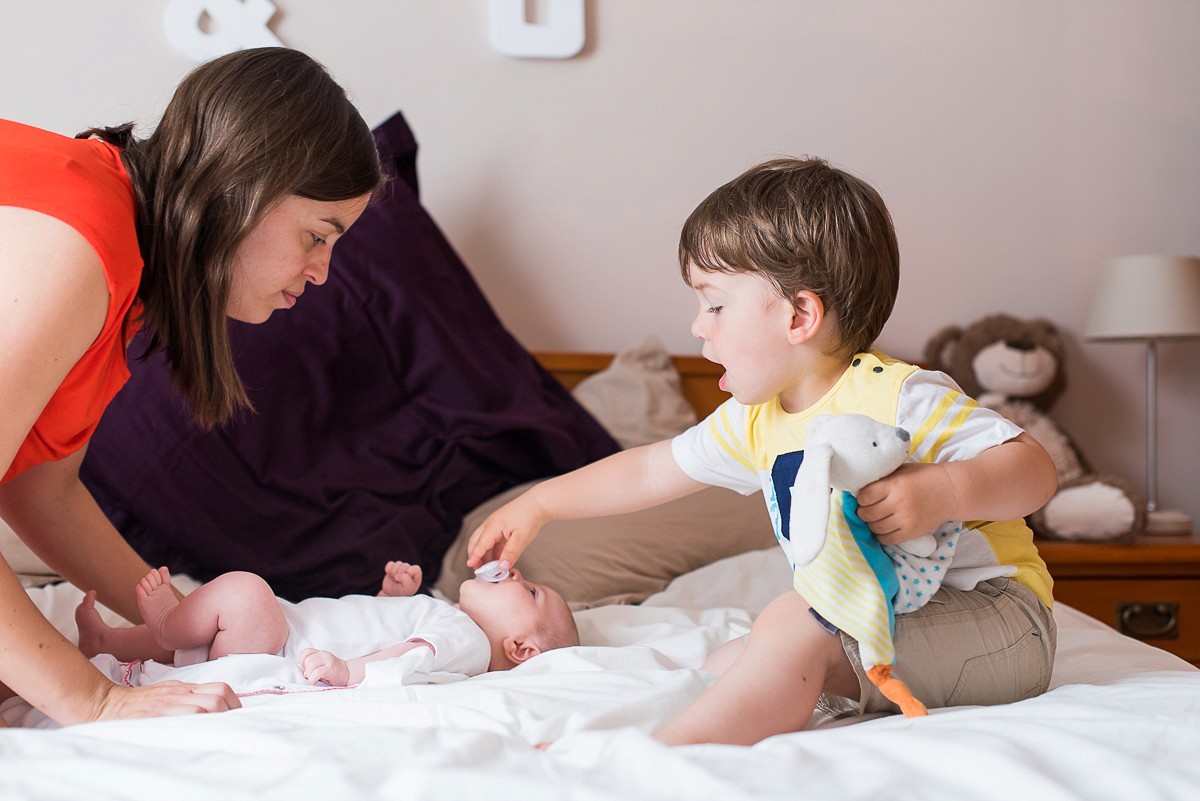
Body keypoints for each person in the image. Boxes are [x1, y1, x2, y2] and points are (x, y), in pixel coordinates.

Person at [467, 158, 1059, 746]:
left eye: (716, 304)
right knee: (733, 658)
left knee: (788, 623)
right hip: (892, 622)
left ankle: (662, 757)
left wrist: (945, 491)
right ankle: (633, 724)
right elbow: (650, 470)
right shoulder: (755, 419)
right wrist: (540, 503)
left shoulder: (900, 396)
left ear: (800, 315)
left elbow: (1034, 469)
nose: (699, 327)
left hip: (1001, 622)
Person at [0, 47, 385, 725]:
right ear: (247, 185)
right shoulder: (83, 240)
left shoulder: (122, 258)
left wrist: (183, 620)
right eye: (317, 235)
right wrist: (94, 699)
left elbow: (37, 486)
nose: (322, 271)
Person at [74, 561, 579, 684]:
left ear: (520, 649)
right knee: (229, 620)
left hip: (274, 649)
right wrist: (391, 598)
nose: (514, 572)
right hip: (277, 633)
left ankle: (166, 626)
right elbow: (391, 633)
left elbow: (409, 658)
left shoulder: (466, 638)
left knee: (246, 591)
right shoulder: (449, 616)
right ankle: (111, 642)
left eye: (529, 590)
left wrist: (350, 672)